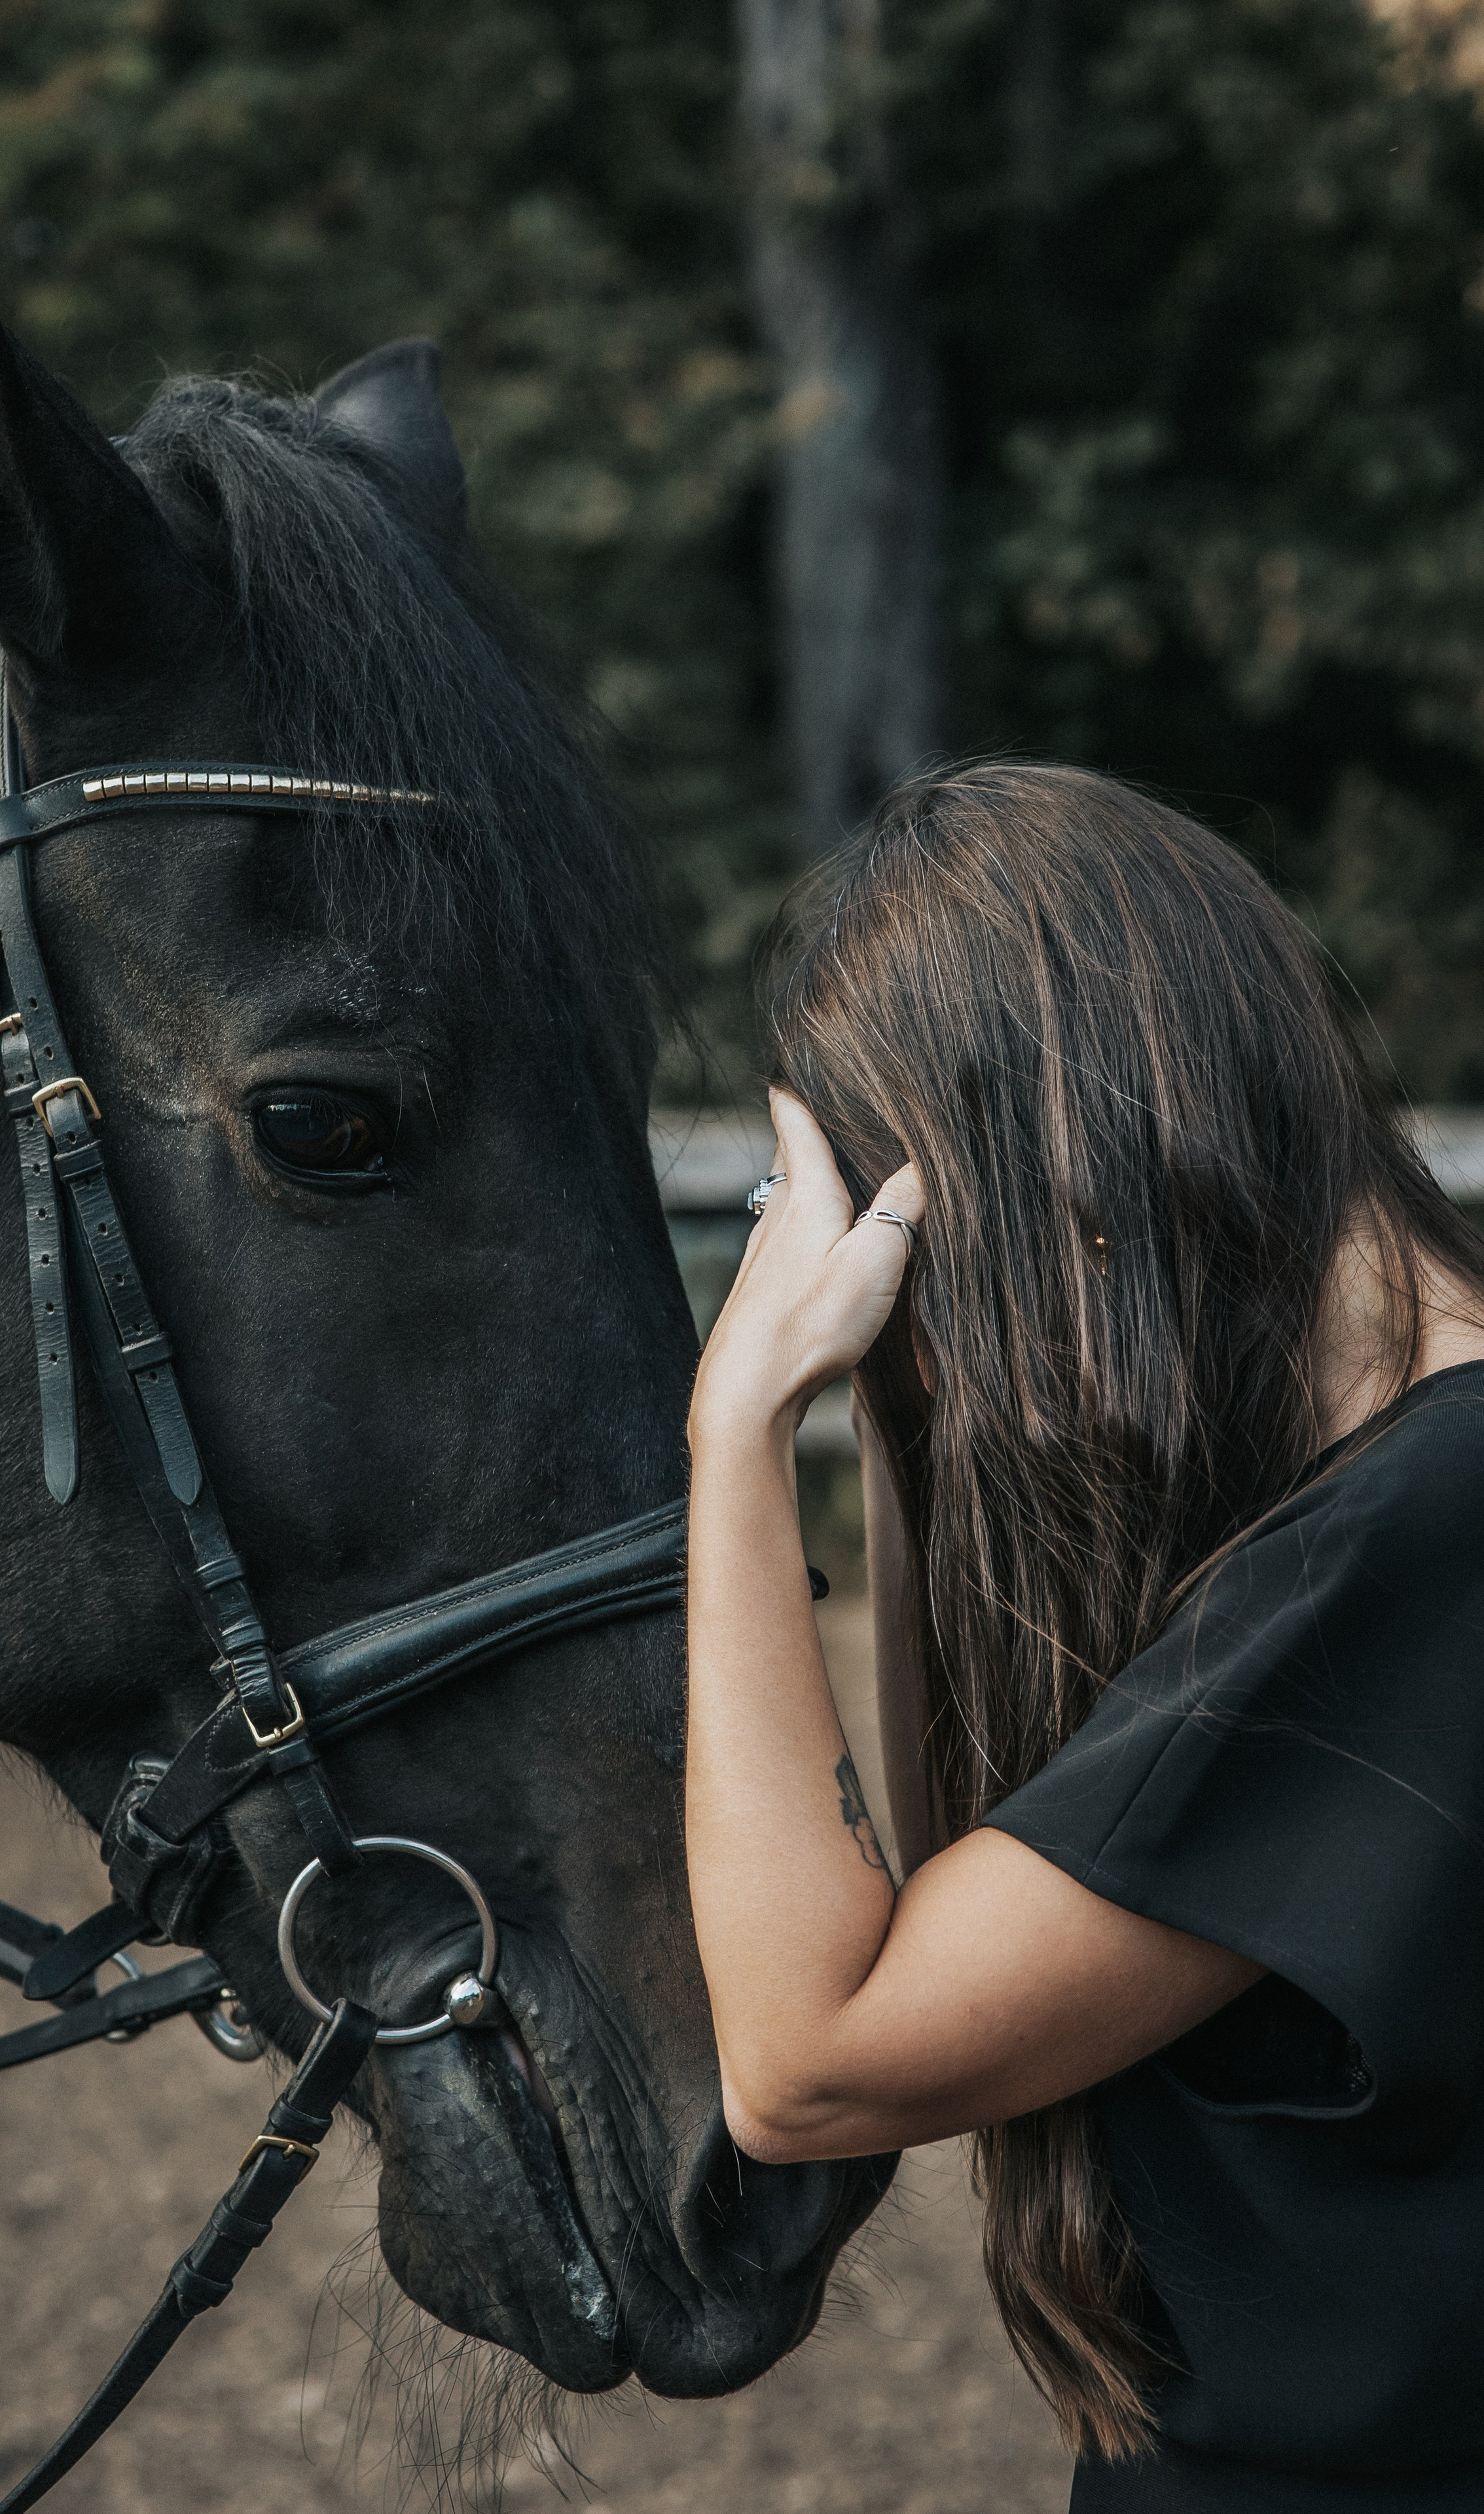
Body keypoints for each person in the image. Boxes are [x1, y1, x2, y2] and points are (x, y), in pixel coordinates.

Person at [684, 763, 1484, 2513]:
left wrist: (739, 1439)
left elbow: (813, 2063)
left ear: (1077, 1154)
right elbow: (955, 1893)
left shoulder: (1425, 1537)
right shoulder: (1359, 1497)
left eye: (936, 1248)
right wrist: (903, 1421)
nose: (946, 1334)